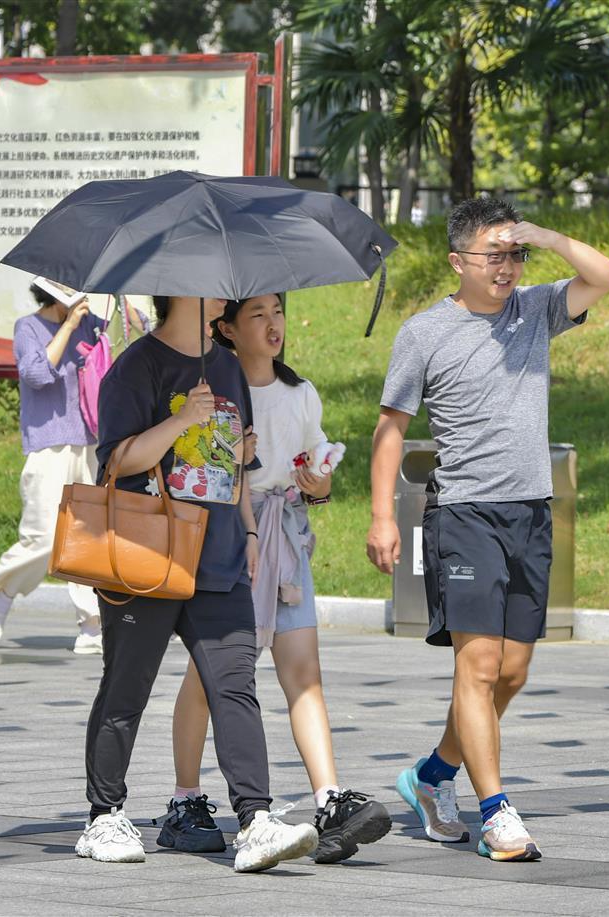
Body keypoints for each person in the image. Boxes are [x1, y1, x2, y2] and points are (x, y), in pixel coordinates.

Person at [368, 198, 609, 862]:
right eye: (492, 255)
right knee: (478, 665)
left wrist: (546, 235)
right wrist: (379, 517)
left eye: (514, 254)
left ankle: (430, 778)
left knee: (512, 670)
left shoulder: (534, 311)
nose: (506, 267)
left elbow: (606, 276)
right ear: (458, 261)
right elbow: (390, 427)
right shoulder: (424, 332)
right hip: (462, 514)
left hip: (530, 509)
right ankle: (497, 811)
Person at [76, 294, 317, 870]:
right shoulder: (138, 366)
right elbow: (118, 460)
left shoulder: (228, 364)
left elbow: (234, 466)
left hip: (221, 556)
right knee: (126, 688)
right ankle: (104, 816)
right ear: (181, 288)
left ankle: (255, 818)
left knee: (234, 685)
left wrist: (251, 533)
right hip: (147, 555)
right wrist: (183, 420)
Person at [160, 293, 391, 864]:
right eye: (258, 315)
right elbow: (199, 470)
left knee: (303, 673)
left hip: (286, 537)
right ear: (227, 329)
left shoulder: (300, 391)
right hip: (227, 542)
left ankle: (329, 798)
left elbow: (316, 470)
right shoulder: (211, 392)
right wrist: (236, 458)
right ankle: (185, 799)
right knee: (210, 675)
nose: (273, 325)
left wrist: (320, 483)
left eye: (278, 313)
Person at [0, 283, 102, 653]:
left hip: (91, 442)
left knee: (88, 537)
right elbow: (36, 375)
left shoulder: (92, 322)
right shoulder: (27, 328)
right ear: (50, 290)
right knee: (43, 536)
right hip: (48, 445)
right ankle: (2, 594)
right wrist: (67, 328)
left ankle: (92, 623)